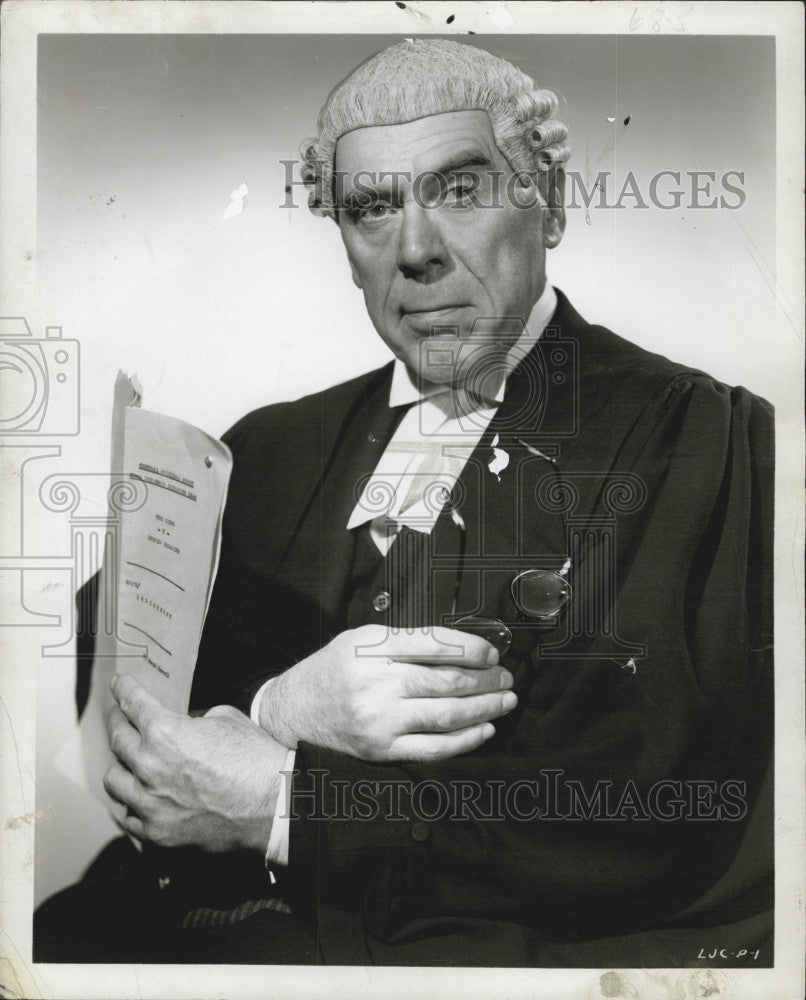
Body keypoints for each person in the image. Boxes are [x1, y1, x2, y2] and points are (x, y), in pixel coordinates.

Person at [35, 38, 774, 967]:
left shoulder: (697, 437)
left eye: (460, 191)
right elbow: (121, 679)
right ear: (343, 245)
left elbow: (643, 804)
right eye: (373, 209)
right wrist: (280, 710)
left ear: (549, 205)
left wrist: (281, 805)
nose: (415, 251)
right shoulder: (267, 448)